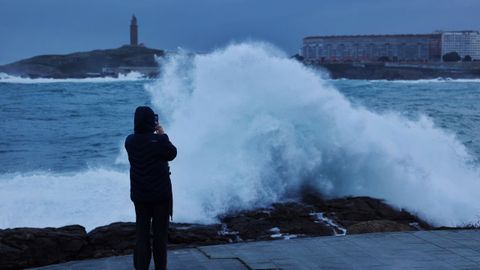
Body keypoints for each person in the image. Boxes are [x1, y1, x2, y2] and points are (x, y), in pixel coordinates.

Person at [125, 106, 177, 270]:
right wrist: (162, 134)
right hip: (161, 196)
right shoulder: (159, 141)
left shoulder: (130, 141)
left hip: (140, 195)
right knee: (160, 237)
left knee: (142, 236)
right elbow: (172, 153)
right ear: (151, 121)